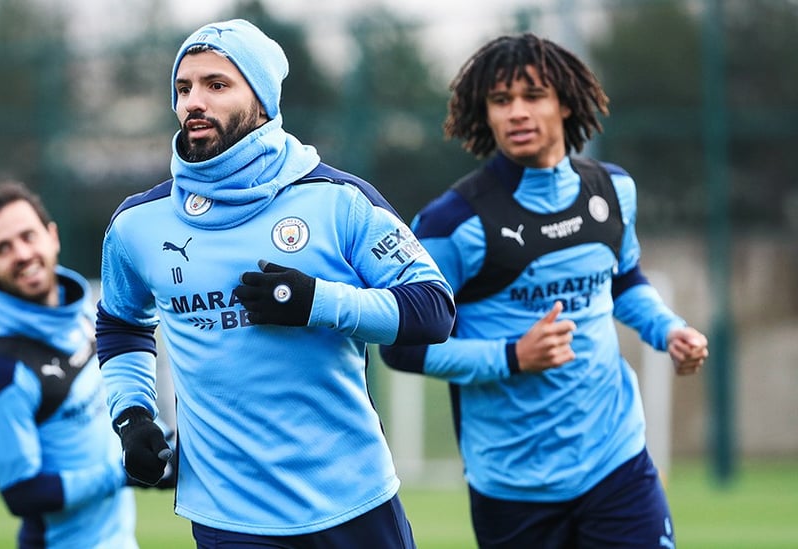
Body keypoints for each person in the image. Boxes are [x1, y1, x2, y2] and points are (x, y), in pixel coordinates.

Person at [95, 18, 455, 548]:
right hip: (229, 516)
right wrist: (131, 414)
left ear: (261, 99)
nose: (194, 101)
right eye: (183, 87)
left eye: (217, 85)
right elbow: (121, 324)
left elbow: (433, 309)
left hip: (353, 502)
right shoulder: (137, 225)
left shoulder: (338, 200)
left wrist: (317, 301)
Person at [379, 33, 709, 549]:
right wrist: (513, 357)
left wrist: (669, 330)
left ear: (565, 103)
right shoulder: (452, 222)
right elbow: (402, 347)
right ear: (484, 113)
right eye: (501, 100)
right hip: (511, 482)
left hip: (615, 458)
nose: (516, 112)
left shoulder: (613, 190)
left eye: (533, 96)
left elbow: (623, 281)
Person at [0, 181, 173, 549]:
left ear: (52, 237)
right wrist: (125, 472)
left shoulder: (82, 317)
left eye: (28, 236)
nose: (22, 254)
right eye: (2, 248)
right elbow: (22, 494)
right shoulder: (1, 370)